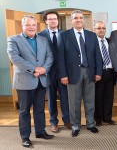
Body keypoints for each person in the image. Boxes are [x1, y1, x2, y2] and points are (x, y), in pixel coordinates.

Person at [7, 15, 54, 148]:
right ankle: (25, 137)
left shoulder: (43, 39)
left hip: (41, 80)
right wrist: (34, 68)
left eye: (33, 25)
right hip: (25, 81)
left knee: (39, 109)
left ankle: (40, 132)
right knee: (24, 111)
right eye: (28, 25)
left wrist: (44, 69)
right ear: (22, 26)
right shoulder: (13, 39)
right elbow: (15, 58)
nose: (31, 27)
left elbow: (50, 56)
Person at [58, 10, 103, 137]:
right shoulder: (64, 35)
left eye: (81, 18)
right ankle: (75, 126)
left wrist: (98, 72)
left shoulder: (91, 35)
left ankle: (90, 124)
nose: (79, 20)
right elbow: (60, 57)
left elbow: (97, 56)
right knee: (74, 102)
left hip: (90, 72)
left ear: (84, 20)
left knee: (90, 101)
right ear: (71, 20)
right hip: (72, 74)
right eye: (76, 18)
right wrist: (63, 75)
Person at [38, 11, 71, 133]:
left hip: (63, 72)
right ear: (46, 21)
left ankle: (67, 120)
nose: (53, 21)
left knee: (65, 97)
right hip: (48, 72)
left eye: (55, 19)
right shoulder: (40, 35)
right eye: (50, 19)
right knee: (51, 99)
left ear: (58, 20)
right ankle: (53, 122)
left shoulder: (66, 34)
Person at [93, 21, 116, 126]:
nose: (101, 30)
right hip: (98, 73)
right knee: (98, 97)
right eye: (99, 28)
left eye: (103, 28)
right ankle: (98, 118)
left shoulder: (109, 41)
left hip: (110, 72)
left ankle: (107, 117)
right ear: (95, 29)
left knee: (109, 96)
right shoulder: (92, 42)